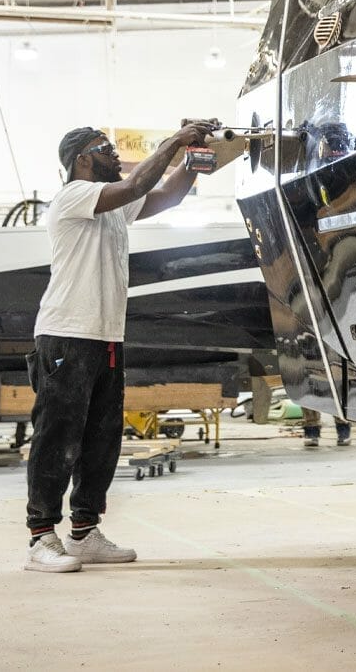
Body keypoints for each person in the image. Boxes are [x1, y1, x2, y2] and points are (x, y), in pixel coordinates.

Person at [24, 120, 219, 574]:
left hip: (107, 335)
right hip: (66, 334)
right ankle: (40, 538)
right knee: (57, 437)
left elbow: (166, 195)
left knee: (102, 438)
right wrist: (173, 139)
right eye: (105, 149)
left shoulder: (112, 208)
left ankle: (84, 531)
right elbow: (136, 182)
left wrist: (191, 157)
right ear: (82, 160)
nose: (115, 155)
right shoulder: (73, 196)